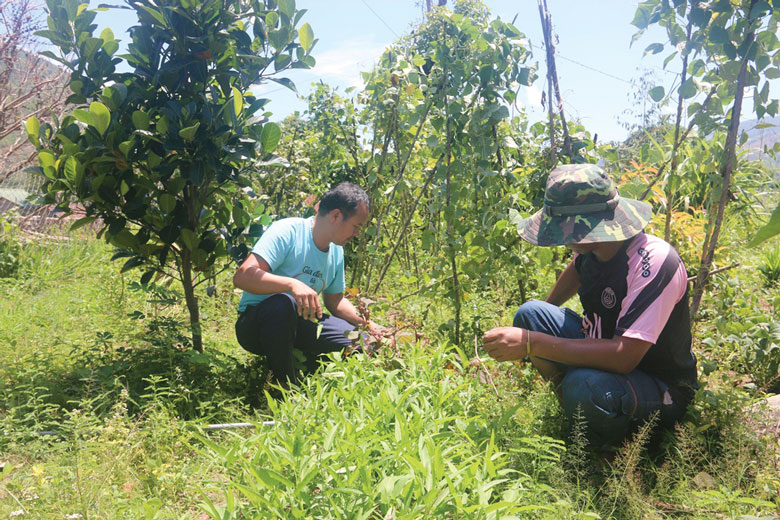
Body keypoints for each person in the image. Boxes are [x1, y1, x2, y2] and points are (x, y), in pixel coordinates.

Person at [482, 164, 698, 449]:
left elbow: (625, 357)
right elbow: (577, 270)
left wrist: (532, 343)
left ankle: (607, 452)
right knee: (530, 314)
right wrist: (538, 321)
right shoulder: (594, 247)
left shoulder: (653, 262)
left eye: (569, 231)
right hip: (601, 350)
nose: (566, 240)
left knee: (585, 385)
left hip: (658, 385)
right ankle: (575, 410)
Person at [233, 182, 380, 385]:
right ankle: (285, 386)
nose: (357, 234)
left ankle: (316, 376)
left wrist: (368, 326)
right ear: (336, 216)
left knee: (363, 342)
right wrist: (292, 285)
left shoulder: (336, 251)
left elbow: (335, 300)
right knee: (284, 303)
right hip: (255, 325)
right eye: (356, 226)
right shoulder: (287, 231)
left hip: (302, 322)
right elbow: (242, 277)